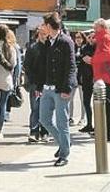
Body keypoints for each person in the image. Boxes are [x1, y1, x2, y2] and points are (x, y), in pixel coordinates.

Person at [35, 13, 76, 167]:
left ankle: (64, 154)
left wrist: (67, 87)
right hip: (46, 88)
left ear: (49, 26)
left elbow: (71, 66)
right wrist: (39, 86)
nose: (41, 27)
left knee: (61, 122)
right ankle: (65, 143)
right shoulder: (47, 42)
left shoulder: (66, 41)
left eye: (43, 25)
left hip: (61, 88)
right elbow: (42, 66)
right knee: (44, 119)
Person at [88, 18, 110, 141]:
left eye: (95, 27)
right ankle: (105, 131)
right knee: (104, 104)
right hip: (102, 75)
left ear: (101, 27)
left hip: (106, 76)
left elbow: (107, 55)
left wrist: (92, 60)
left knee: (108, 104)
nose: (94, 30)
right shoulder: (103, 38)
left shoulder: (105, 38)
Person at [24, 28, 48, 142]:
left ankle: (45, 132)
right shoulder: (33, 48)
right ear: (38, 34)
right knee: (35, 108)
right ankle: (34, 131)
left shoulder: (50, 47)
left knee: (46, 108)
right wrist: (32, 80)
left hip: (48, 83)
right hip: (35, 83)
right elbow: (27, 66)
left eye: (46, 34)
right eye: (42, 34)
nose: (44, 36)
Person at [74, 31, 94, 133]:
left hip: (96, 78)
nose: (91, 39)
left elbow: (90, 60)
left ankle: (97, 124)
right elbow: (84, 60)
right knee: (86, 102)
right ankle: (89, 124)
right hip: (85, 78)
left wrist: (90, 59)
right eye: (90, 37)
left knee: (97, 102)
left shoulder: (97, 48)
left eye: (93, 37)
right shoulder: (84, 48)